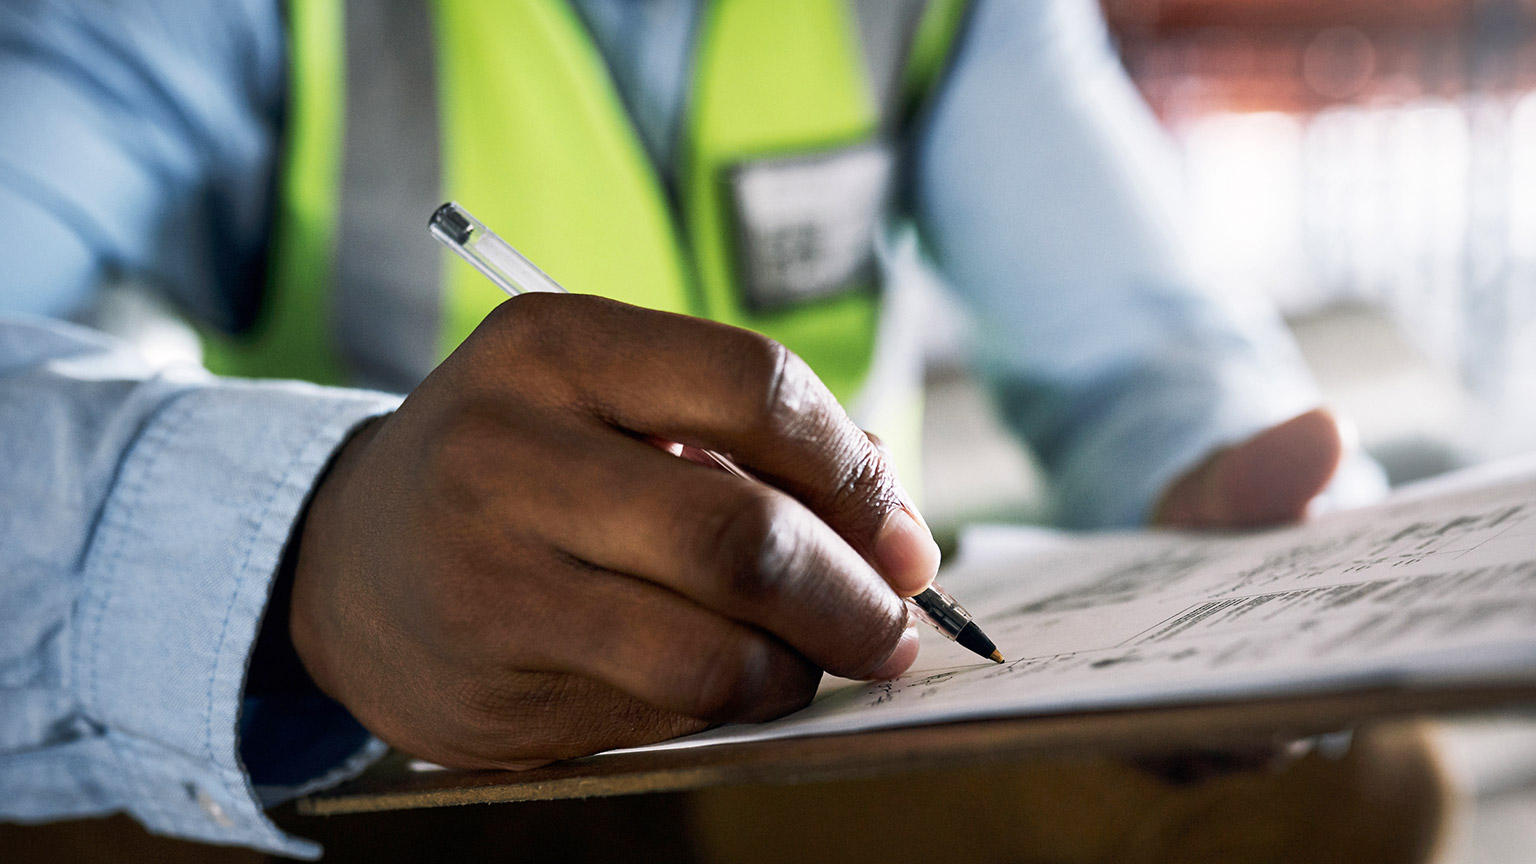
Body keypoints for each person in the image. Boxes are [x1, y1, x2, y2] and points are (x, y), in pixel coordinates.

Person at [0, 0, 1385, 858]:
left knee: (1347, 789)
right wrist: (305, 546)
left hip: (823, 731)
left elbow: (1143, 355)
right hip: (384, 773)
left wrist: (1220, 469)